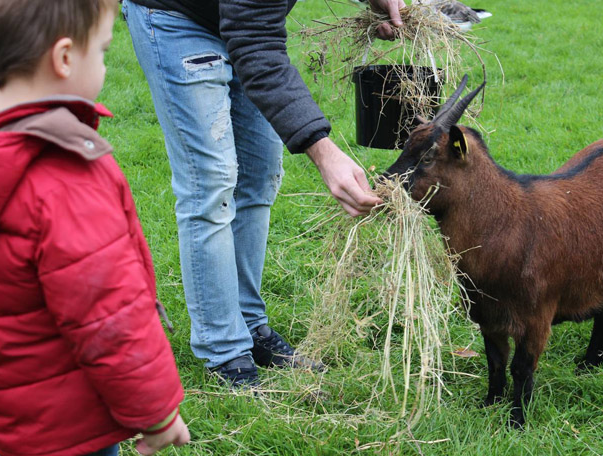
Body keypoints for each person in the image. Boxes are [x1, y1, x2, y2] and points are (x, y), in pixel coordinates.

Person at [121, 0, 405, 386]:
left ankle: (250, 326)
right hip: (176, 18)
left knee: (258, 177)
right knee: (211, 184)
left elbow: (252, 34)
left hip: (244, 21)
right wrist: (323, 152)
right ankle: (223, 347)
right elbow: (255, 44)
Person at [0, 1, 190, 455]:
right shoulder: (64, 179)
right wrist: (157, 413)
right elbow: (110, 316)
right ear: (64, 59)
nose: (104, 65)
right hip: (65, 428)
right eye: (102, 51)